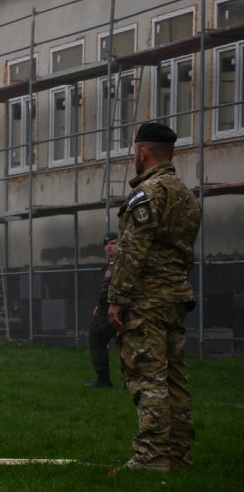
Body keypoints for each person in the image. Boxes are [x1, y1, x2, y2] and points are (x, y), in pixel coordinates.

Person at [107, 122, 201, 472]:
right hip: (175, 297)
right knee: (174, 377)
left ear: (142, 152)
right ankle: (178, 453)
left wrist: (117, 298)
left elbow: (133, 250)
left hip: (147, 300)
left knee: (149, 378)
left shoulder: (148, 193)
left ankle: (152, 455)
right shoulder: (185, 195)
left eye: (135, 152)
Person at [85, 231, 119, 388]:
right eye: (106, 244)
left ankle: (127, 382)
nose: (109, 247)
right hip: (105, 308)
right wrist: (99, 305)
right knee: (96, 337)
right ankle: (103, 380)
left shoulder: (124, 263)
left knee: (124, 343)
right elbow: (105, 289)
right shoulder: (110, 265)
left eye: (113, 243)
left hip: (119, 308)